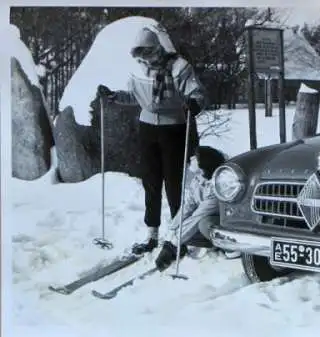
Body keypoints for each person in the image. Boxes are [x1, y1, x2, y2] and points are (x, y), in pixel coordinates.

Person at [97, 23, 206, 255]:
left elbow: (197, 93)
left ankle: (179, 236)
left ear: (158, 48)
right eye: (140, 54)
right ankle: (152, 234)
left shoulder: (179, 67)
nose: (145, 58)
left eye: (147, 52)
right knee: (151, 182)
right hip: (147, 129)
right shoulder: (140, 70)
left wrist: (194, 103)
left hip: (174, 128)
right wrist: (114, 96)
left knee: (174, 184)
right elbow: (135, 96)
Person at [155, 146, 240, 272]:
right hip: (206, 219)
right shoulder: (198, 180)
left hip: (228, 224)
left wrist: (172, 244)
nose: (191, 158)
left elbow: (198, 216)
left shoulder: (218, 186)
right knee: (183, 230)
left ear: (204, 164)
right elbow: (187, 207)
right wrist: (172, 231)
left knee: (203, 224)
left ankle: (230, 248)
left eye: (196, 157)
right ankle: (195, 242)